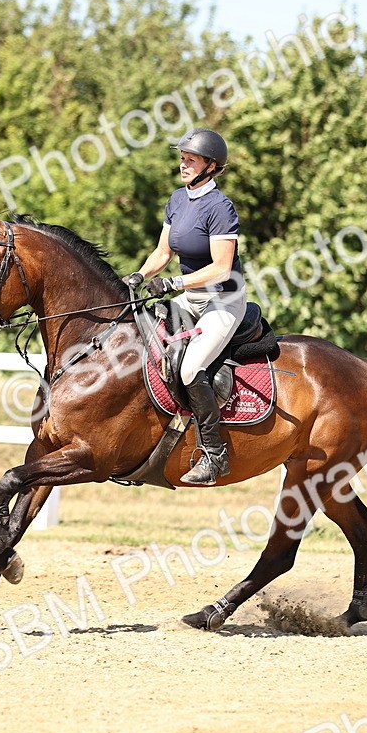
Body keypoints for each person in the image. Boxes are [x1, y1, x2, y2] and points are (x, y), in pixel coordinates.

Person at [122, 128, 247, 486]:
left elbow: (221, 268)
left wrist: (173, 283)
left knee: (191, 369)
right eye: (182, 158)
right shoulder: (178, 199)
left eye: (190, 159)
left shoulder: (221, 208)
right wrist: (139, 275)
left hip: (222, 300)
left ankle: (214, 455)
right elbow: (163, 253)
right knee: (141, 343)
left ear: (211, 166)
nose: (183, 164)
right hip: (189, 299)